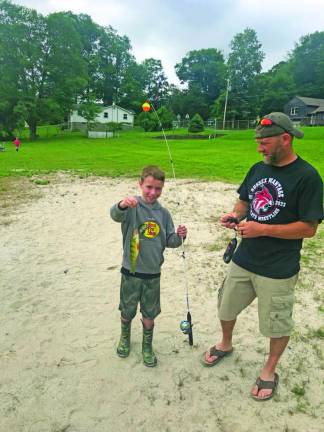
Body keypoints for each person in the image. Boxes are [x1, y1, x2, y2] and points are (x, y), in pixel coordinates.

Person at [203, 112, 323, 400]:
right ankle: (226, 343)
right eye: (258, 142)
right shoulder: (258, 169)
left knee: (276, 323)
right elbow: (245, 200)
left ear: (286, 138)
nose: (259, 148)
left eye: (265, 142)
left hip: (278, 267)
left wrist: (263, 229)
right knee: (226, 307)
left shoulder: (308, 177)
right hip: (244, 258)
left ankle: (269, 370)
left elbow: (309, 229)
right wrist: (235, 215)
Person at [110, 165, 187, 367]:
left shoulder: (164, 214)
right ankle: (125, 338)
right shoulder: (132, 207)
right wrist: (122, 204)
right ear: (140, 184)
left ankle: (147, 346)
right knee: (127, 310)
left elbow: (169, 241)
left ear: (162, 189)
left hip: (153, 274)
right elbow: (115, 214)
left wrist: (180, 237)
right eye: (149, 187)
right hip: (131, 272)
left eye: (158, 189)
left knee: (149, 314)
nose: (153, 192)